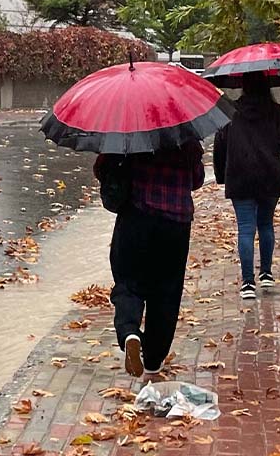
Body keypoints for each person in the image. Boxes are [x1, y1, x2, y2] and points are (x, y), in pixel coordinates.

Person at [94, 140, 205, 381]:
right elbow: (197, 179)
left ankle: (130, 332)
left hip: (137, 217)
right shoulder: (185, 137)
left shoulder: (129, 133)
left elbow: (102, 168)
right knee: (167, 291)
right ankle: (153, 362)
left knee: (128, 281)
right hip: (176, 223)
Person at [213, 72, 280, 300]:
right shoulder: (276, 112)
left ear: (243, 87)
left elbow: (219, 146)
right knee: (266, 224)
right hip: (269, 175)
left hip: (240, 176)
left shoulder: (230, 112)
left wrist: (222, 175)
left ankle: (247, 283)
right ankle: (266, 273)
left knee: (246, 228)